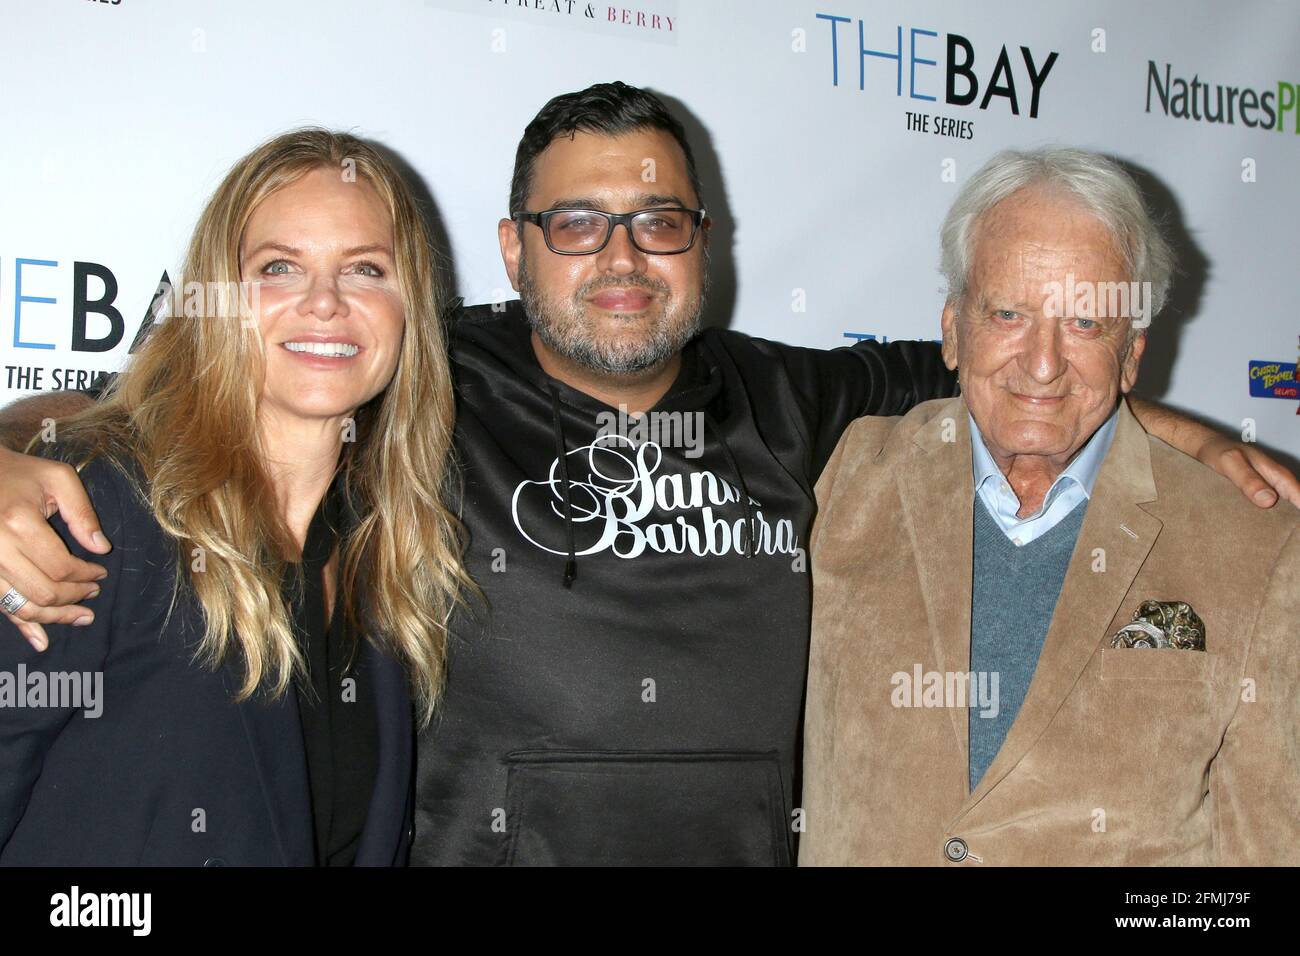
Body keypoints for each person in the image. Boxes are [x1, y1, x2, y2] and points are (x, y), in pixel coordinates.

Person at [1, 85, 1295, 866]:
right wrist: (16, 453)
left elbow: (1016, 366)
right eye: (577, 224)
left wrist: (1185, 437)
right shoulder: (424, 368)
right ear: (514, 248)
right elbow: (216, 376)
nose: (621, 255)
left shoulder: (799, 397)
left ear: (703, 245)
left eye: (658, 221)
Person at [799, 147, 1299, 866]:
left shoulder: (1256, 547)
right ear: (951, 329)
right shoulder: (845, 478)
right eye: (1008, 313)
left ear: (1131, 355)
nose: (1042, 361)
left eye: (1087, 324)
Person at [0, 128, 471, 865]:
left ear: (411, 304)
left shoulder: (385, 545)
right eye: (280, 268)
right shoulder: (99, 508)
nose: (325, 303)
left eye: (366, 270)